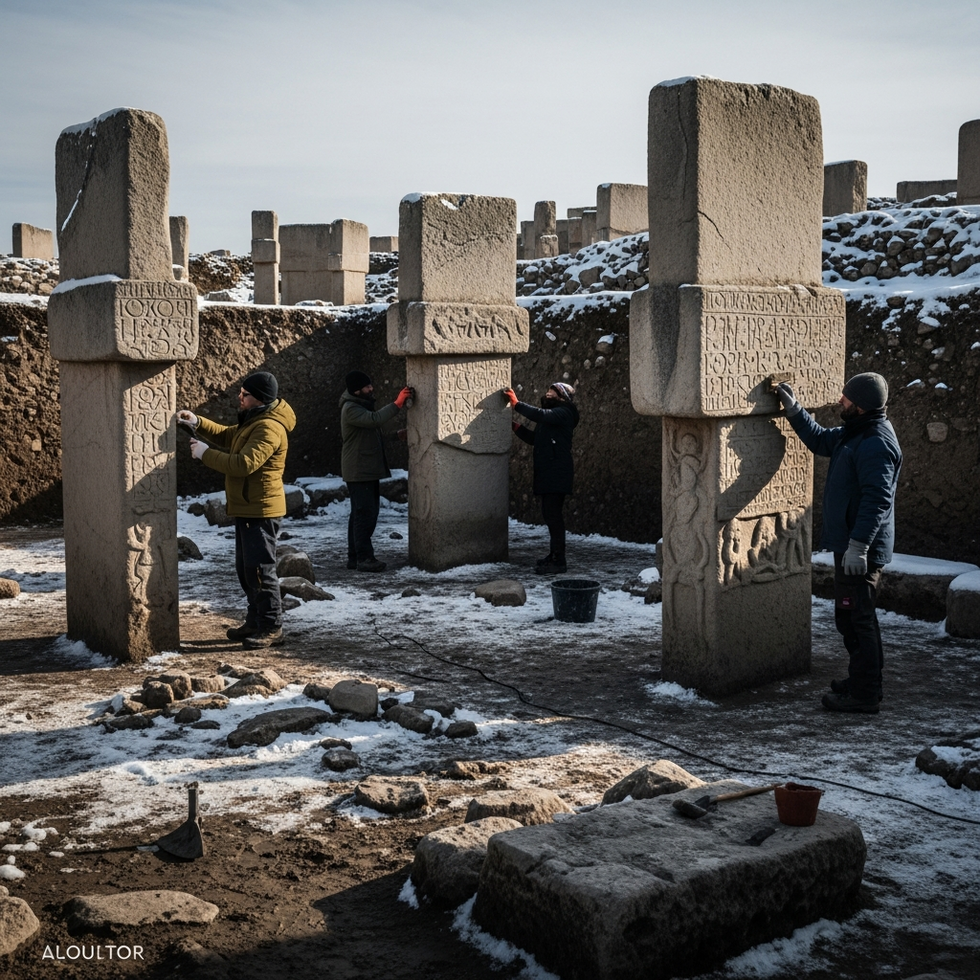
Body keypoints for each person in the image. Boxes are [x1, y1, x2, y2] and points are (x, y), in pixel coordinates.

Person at [776, 373, 903, 714]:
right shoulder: (856, 432)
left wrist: (859, 546)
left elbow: (878, 500)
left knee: (859, 618)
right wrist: (794, 409)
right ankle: (860, 680)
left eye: (846, 398)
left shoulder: (876, 443)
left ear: (861, 405)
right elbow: (820, 441)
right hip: (850, 547)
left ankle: (865, 693)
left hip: (860, 552)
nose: (840, 401)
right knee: (848, 617)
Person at [178, 371, 296, 649]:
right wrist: (198, 422)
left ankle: (271, 627)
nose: (239, 397)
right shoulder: (255, 421)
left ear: (260, 399)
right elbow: (230, 435)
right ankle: (255, 621)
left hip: (261, 510)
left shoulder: (269, 427)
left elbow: (244, 464)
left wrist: (205, 454)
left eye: (245, 394)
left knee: (260, 571)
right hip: (248, 507)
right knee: (247, 569)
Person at [503, 382, 580, 575]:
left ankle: (559, 561)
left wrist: (516, 404)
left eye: (552, 392)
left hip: (557, 472)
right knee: (550, 515)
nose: (548, 393)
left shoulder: (565, 412)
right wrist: (516, 427)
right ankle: (554, 555)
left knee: (554, 517)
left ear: (562, 397)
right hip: (548, 472)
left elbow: (540, 414)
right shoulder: (550, 419)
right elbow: (534, 439)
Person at [340, 371, 413, 573]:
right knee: (365, 514)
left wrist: (394, 437)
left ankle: (355, 557)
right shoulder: (351, 409)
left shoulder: (359, 407)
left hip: (364, 469)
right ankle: (364, 558)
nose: (371, 389)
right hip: (359, 470)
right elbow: (375, 420)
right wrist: (397, 403)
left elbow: (370, 434)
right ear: (357, 390)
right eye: (367, 387)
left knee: (360, 514)